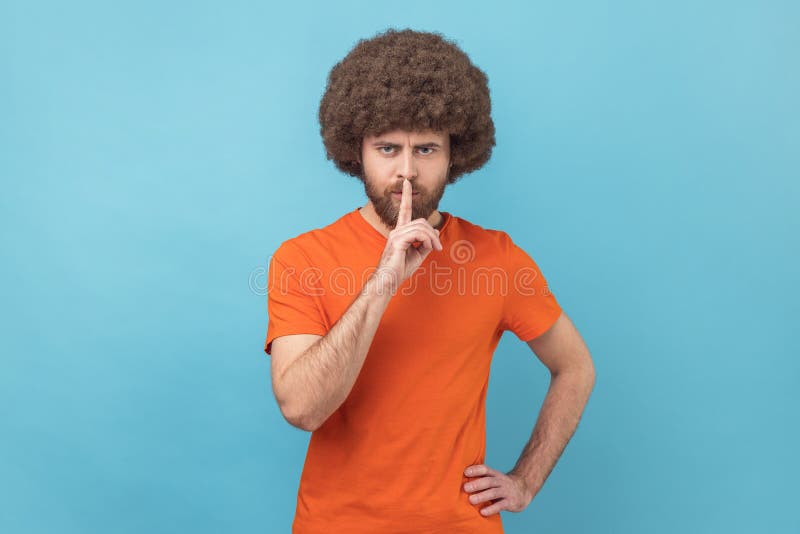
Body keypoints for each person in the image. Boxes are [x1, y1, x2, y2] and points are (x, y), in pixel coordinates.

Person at [264, 28, 595, 533]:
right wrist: (383, 280)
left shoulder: (498, 259)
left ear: (454, 154)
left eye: (425, 150)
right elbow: (302, 408)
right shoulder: (301, 258)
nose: (406, 172)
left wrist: (526, 480)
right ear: (357, 151)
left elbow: (575, 368)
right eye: (388, 148)